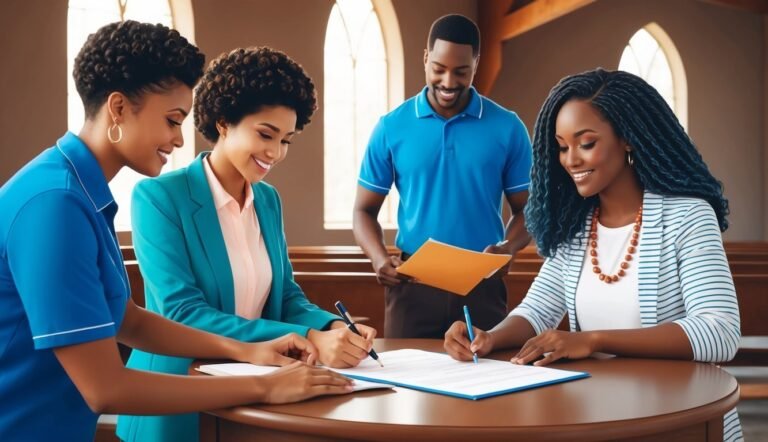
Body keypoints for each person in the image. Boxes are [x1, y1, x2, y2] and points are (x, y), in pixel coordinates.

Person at [0, 21, 353, 442]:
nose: (179, 139)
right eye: (172, 120)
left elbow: (127, 319)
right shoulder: (55, 203)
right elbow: (104, 389)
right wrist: (265, 385)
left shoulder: (79, 189)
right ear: (117, 108)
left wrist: (246, 350)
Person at [443, 68, 742, 441]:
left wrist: (593, 340)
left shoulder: (687, 216)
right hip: (599, 418)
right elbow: (537, 312)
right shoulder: (575, 225)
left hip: (678, 420)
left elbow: (720, 331)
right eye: (562, 146)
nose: (570, 160)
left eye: (586, 144)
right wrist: (489, 337)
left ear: (628, 140)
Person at [116, 46, 378, 441]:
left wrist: (335, 326)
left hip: (253, 395)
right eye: (265, 134)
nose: (275, 153)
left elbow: (286, 295)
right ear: (223, 122)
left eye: (287, 140)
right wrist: (310, 340)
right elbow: (180, 312)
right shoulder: (158, 197)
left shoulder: (268, 201)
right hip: (177, 397)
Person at [353, 14, 532, 338]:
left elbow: (529, 209)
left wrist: (508, 247)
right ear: (425, 59)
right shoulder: (390, 127)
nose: (448, 82)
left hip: (482, 284)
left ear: (476, 64)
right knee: (406, 386)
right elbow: (363, 211)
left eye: (461, 71)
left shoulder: (508, 127)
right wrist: (378, 257)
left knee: (490, 383)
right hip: (412, 287)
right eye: (439, 68)